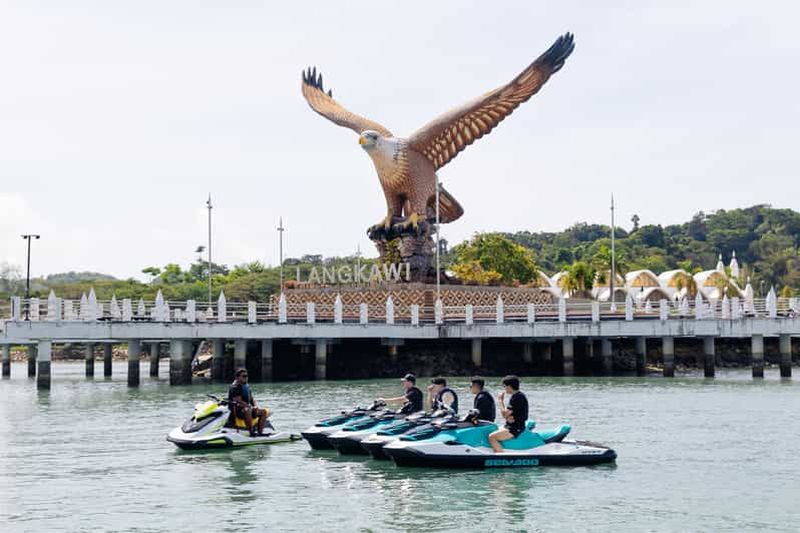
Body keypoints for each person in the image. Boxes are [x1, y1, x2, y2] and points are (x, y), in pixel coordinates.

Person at [488, 375, 529, 453]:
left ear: (509, 386)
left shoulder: (517, 398)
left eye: (504, 386)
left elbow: (504, 414)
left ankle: (500, 456)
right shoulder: (518, 396)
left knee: (491, 437)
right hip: (512, 425)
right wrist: (508, 418)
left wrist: (500, 400)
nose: (504, 388)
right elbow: (510, 415)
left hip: (515, 428)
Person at [228, 368, 267, 437]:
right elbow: (238, 401)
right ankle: (251, 432)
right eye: (244, 376)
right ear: (237, 377)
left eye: (246, 376)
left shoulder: (246, 386)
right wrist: (249, 407)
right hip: (237, 411)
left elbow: (251, 398)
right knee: (247, 409)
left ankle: (260, 433)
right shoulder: (235, 387)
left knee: (263, 411)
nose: (246, 378)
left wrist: (255, 406)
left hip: (248, 408)